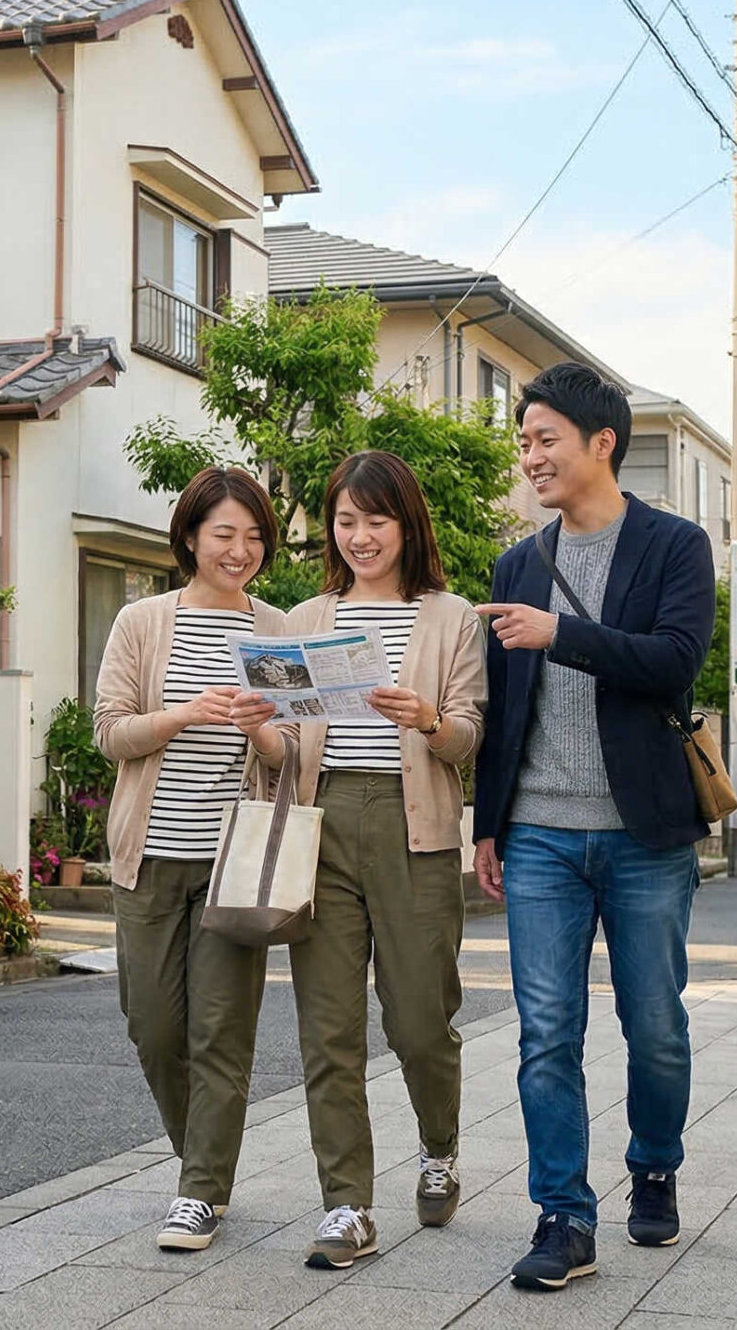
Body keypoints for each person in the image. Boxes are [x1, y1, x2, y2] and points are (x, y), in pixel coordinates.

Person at [469, 363, 716, 1291]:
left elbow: (675, 663)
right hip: (537, 833)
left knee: (653, 1021)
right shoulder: (517, 563)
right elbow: (504, 706)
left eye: (545, 439)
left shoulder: (674, 545)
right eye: (524, 440)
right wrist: (488, 824)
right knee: (546, 1031)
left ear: (601, 442)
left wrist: (559, 633)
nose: (529, 455)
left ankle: (654, 1162)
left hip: (644, 831)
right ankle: (563, 1215)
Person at [255, 451, 487, 1270]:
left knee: (420, 1020)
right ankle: (347, 1204)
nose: (359, 536)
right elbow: (285, 747)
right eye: (345, 521)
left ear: (407, 524)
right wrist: (258, 721)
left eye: (375, 520)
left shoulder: (450, 615)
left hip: (412, 821)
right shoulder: (302, 618)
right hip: (321, 823)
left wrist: (426, 717)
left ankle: (439, 1145)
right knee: (328, 1027)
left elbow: (467, 734)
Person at [94, 467, 290, 1253]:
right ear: (189, 538)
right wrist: (182, 714)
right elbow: (110, 732)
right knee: (153, 1026)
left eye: (253, 536)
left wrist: (258, 730)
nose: (240, 549)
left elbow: (297, 751)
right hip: (150, 854)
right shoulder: (143, 621)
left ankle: (200, 1189)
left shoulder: (277, 629)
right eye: (224, 534)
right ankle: (200, 1155)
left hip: (234, 857)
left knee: (220, 1028)